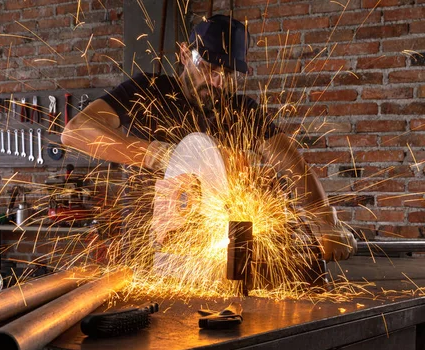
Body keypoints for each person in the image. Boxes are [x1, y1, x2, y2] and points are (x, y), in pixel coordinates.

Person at [62, 14, 356, 263]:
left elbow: (294, 166)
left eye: (227, 72)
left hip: (212, 261)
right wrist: (156, 154)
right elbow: (75, 131)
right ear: (182, 55)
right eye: (209, 67)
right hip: (145, 257)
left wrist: (326, 222)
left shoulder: (242, 110)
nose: (217, 81)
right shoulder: (147, 91)